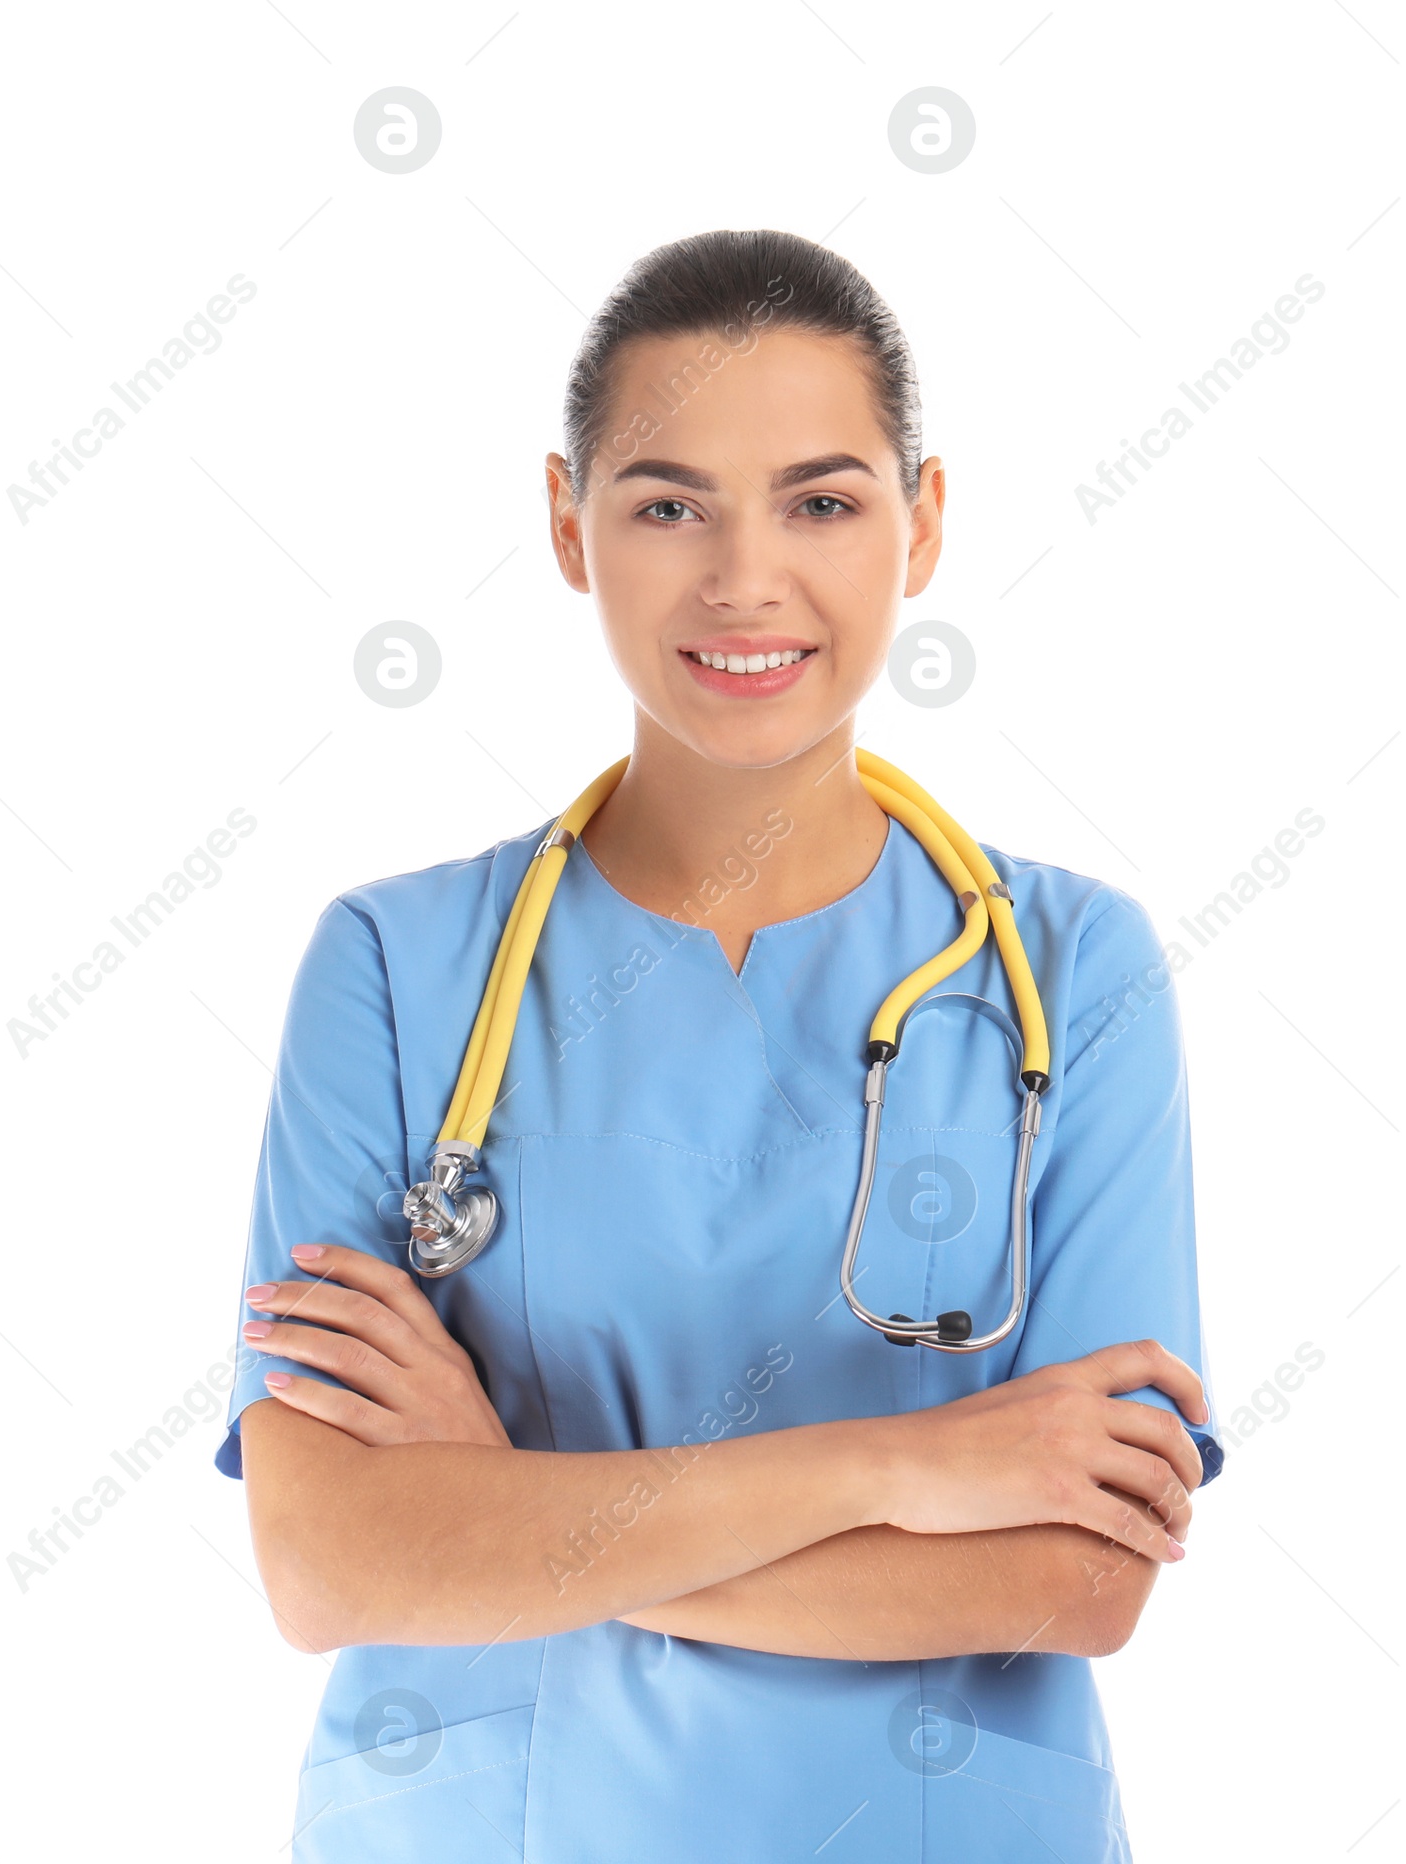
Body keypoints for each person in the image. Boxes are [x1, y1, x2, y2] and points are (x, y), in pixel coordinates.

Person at [215, 227, 1222, 1862]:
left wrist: (513, 1505)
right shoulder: (397, 973)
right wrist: (915, 1463)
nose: (745, 578)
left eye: (823, 501)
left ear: (927, 525)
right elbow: (331, 1566)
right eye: (667, 502)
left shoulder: (1074, 971)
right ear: (565, 523)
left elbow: (1078, 1577)